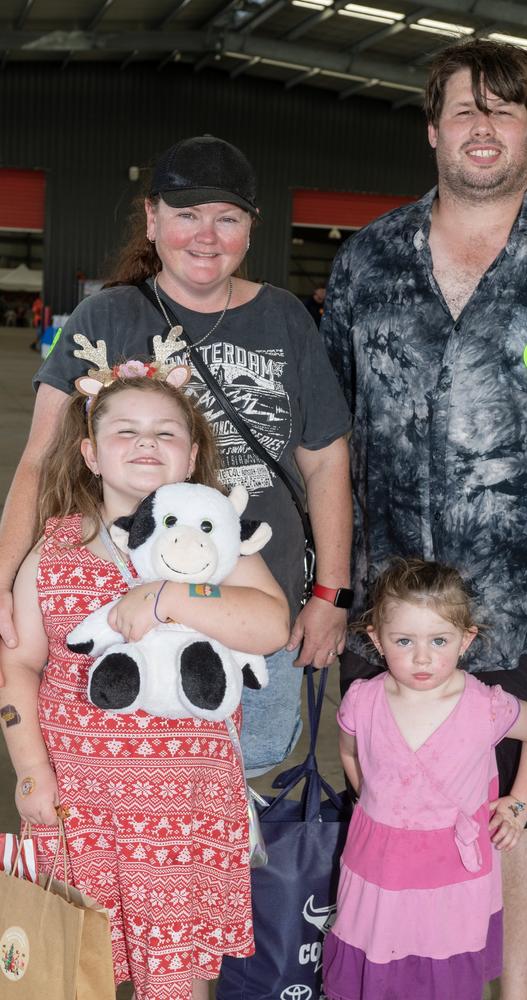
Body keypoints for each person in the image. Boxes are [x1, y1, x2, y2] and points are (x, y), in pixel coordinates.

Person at [321, 38, 527, 999]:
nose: (483, 127)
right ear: (433, 129)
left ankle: (507, 993)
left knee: (517, 807)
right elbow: (334, 427)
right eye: (465, 109)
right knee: (389, 795)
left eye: (505, 111)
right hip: (394, 601)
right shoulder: (369, 260)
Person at [0, 135, 352, 775]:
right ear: (153, 218)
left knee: (244, 786)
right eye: (187, 214)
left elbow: (326, 461)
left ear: (250, 229)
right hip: (116, 613)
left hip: (253, 607)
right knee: (118, 789)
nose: (206, 236)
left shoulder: (286, 320)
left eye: (227, 217)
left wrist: (331, 591)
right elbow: (38, 459)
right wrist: (2, 578)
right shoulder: (104, 315)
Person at [0, 368, 290, 1000]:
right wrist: (30, 771)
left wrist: (169, 594)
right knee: (72, 969)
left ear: (190, 456)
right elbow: (17, 665)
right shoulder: (53, 552)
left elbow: (270, 624)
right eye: (124, 431)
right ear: (90, 454)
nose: (145, 444)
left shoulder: (221, 549)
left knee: (175, 980)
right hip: (80, 806)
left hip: (184, 810)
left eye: (166, 433)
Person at [322, 559, 527, 1000]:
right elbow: (352, 754)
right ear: (376, 638)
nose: (423, 657)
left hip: (451, 878)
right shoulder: (362, 701)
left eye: (439, 640)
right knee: (377, 967)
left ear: (466, 640)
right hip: (379, 872)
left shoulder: (486, 706)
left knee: (441, 976)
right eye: (404, 640)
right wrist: (374, 805)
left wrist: (518, 804)